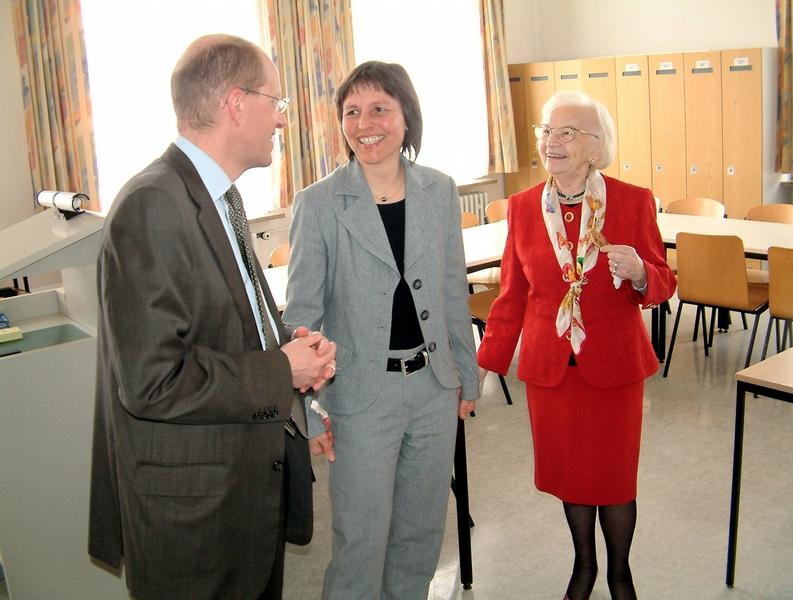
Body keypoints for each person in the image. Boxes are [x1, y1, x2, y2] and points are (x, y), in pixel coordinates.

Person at [88, 34, 336, 600]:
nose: (281, 120)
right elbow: (152, 381)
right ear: (235, 103)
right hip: (195, 518)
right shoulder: (153, 204)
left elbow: (220, 313)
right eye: (277, 103)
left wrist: (287, 345)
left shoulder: (214, 194)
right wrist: (280, 371)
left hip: (242, 492)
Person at [282, 61, 480, 600]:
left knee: (420, 536)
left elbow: (450, 293)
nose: (365, 122)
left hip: (434, 388)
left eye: (379, 108)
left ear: (405, 117)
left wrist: (467, 374)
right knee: (360, 543)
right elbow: (300, 316)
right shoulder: (319, 203)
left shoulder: (438, 190)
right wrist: (307, 411)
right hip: (360, 396)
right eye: (352, 111)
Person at [477, 91, 676, 600]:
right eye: (547, 130)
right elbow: (510, 298)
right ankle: (583, 566)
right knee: (572, 476)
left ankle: (620, 573)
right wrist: (481, 368)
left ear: (595, 146)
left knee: (612, 476)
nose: (551, 141)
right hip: (552, 372)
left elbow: (664, 282)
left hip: (612, 368)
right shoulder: (523, 209)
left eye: (567, 132)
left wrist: (639, 274)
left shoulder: (633, 201)